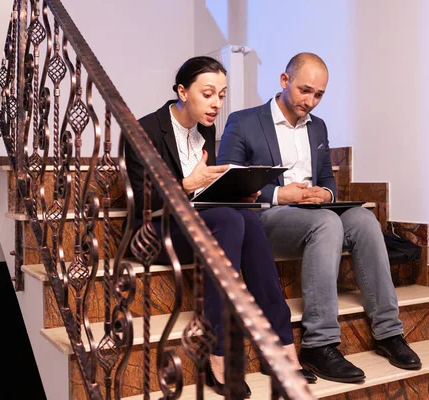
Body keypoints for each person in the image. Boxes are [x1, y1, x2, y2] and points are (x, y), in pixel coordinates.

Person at [217, 52, 422, 383]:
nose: (310, 101)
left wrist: (325, 195)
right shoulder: (244, 121)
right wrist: (279, 194)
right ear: (284, 81)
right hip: (266, 220)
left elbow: (328, 180)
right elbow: (226, 183)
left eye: (319, 95)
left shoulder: (318, 127)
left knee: (365, 220)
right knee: (327, 223)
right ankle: (319, 344)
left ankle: (387, 331)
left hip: (311, 213)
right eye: (304, 90)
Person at [125, 56, 316, 398]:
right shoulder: (145, 130)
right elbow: (140, 202)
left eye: (222, 95)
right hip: (155, 230)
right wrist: (184, 184)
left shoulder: (205, 129)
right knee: (229, 219)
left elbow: (202, 197)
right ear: (182, 91)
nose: (216, 104)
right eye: (208, 94)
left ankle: (282, 344)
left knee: (245, 217)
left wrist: (238, 190)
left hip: (197, 222)